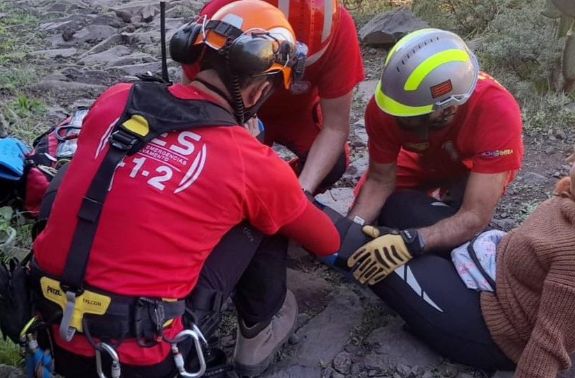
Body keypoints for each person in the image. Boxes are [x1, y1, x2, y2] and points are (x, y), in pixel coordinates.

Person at [29, 1, 340, 377]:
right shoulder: (253, 163)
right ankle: (260, 331)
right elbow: (328, 242)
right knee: (268, 216)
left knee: (82, 169)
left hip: (48, 323)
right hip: (141, 355)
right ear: (259, 91)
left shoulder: (117, 99)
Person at [347, 106, 575, 377]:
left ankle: (313, 218)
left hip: (495, 326)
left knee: (372, 254)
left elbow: (547, 348)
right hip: (496, 266)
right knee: (399, 205)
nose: (569, 159)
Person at [348, 28, 524, 261]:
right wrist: (350, 232)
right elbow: (380, 180)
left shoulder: (496, 112)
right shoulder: (389, 106)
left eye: (410, 117)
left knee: (459, 227)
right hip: (426, 157)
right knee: (375, 204)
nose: (397, 119)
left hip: (473, 166)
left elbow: (474, 215)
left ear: (448, 109)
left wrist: (415, 241)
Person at [181, 0, 365, 195]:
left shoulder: (339, 27)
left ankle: (281, 190)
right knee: (216, 175)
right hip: (232, 113)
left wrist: (301, 193)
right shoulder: (222, 15)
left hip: (297, 115)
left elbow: (334, 128)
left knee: (332, 165)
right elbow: (193, 108)